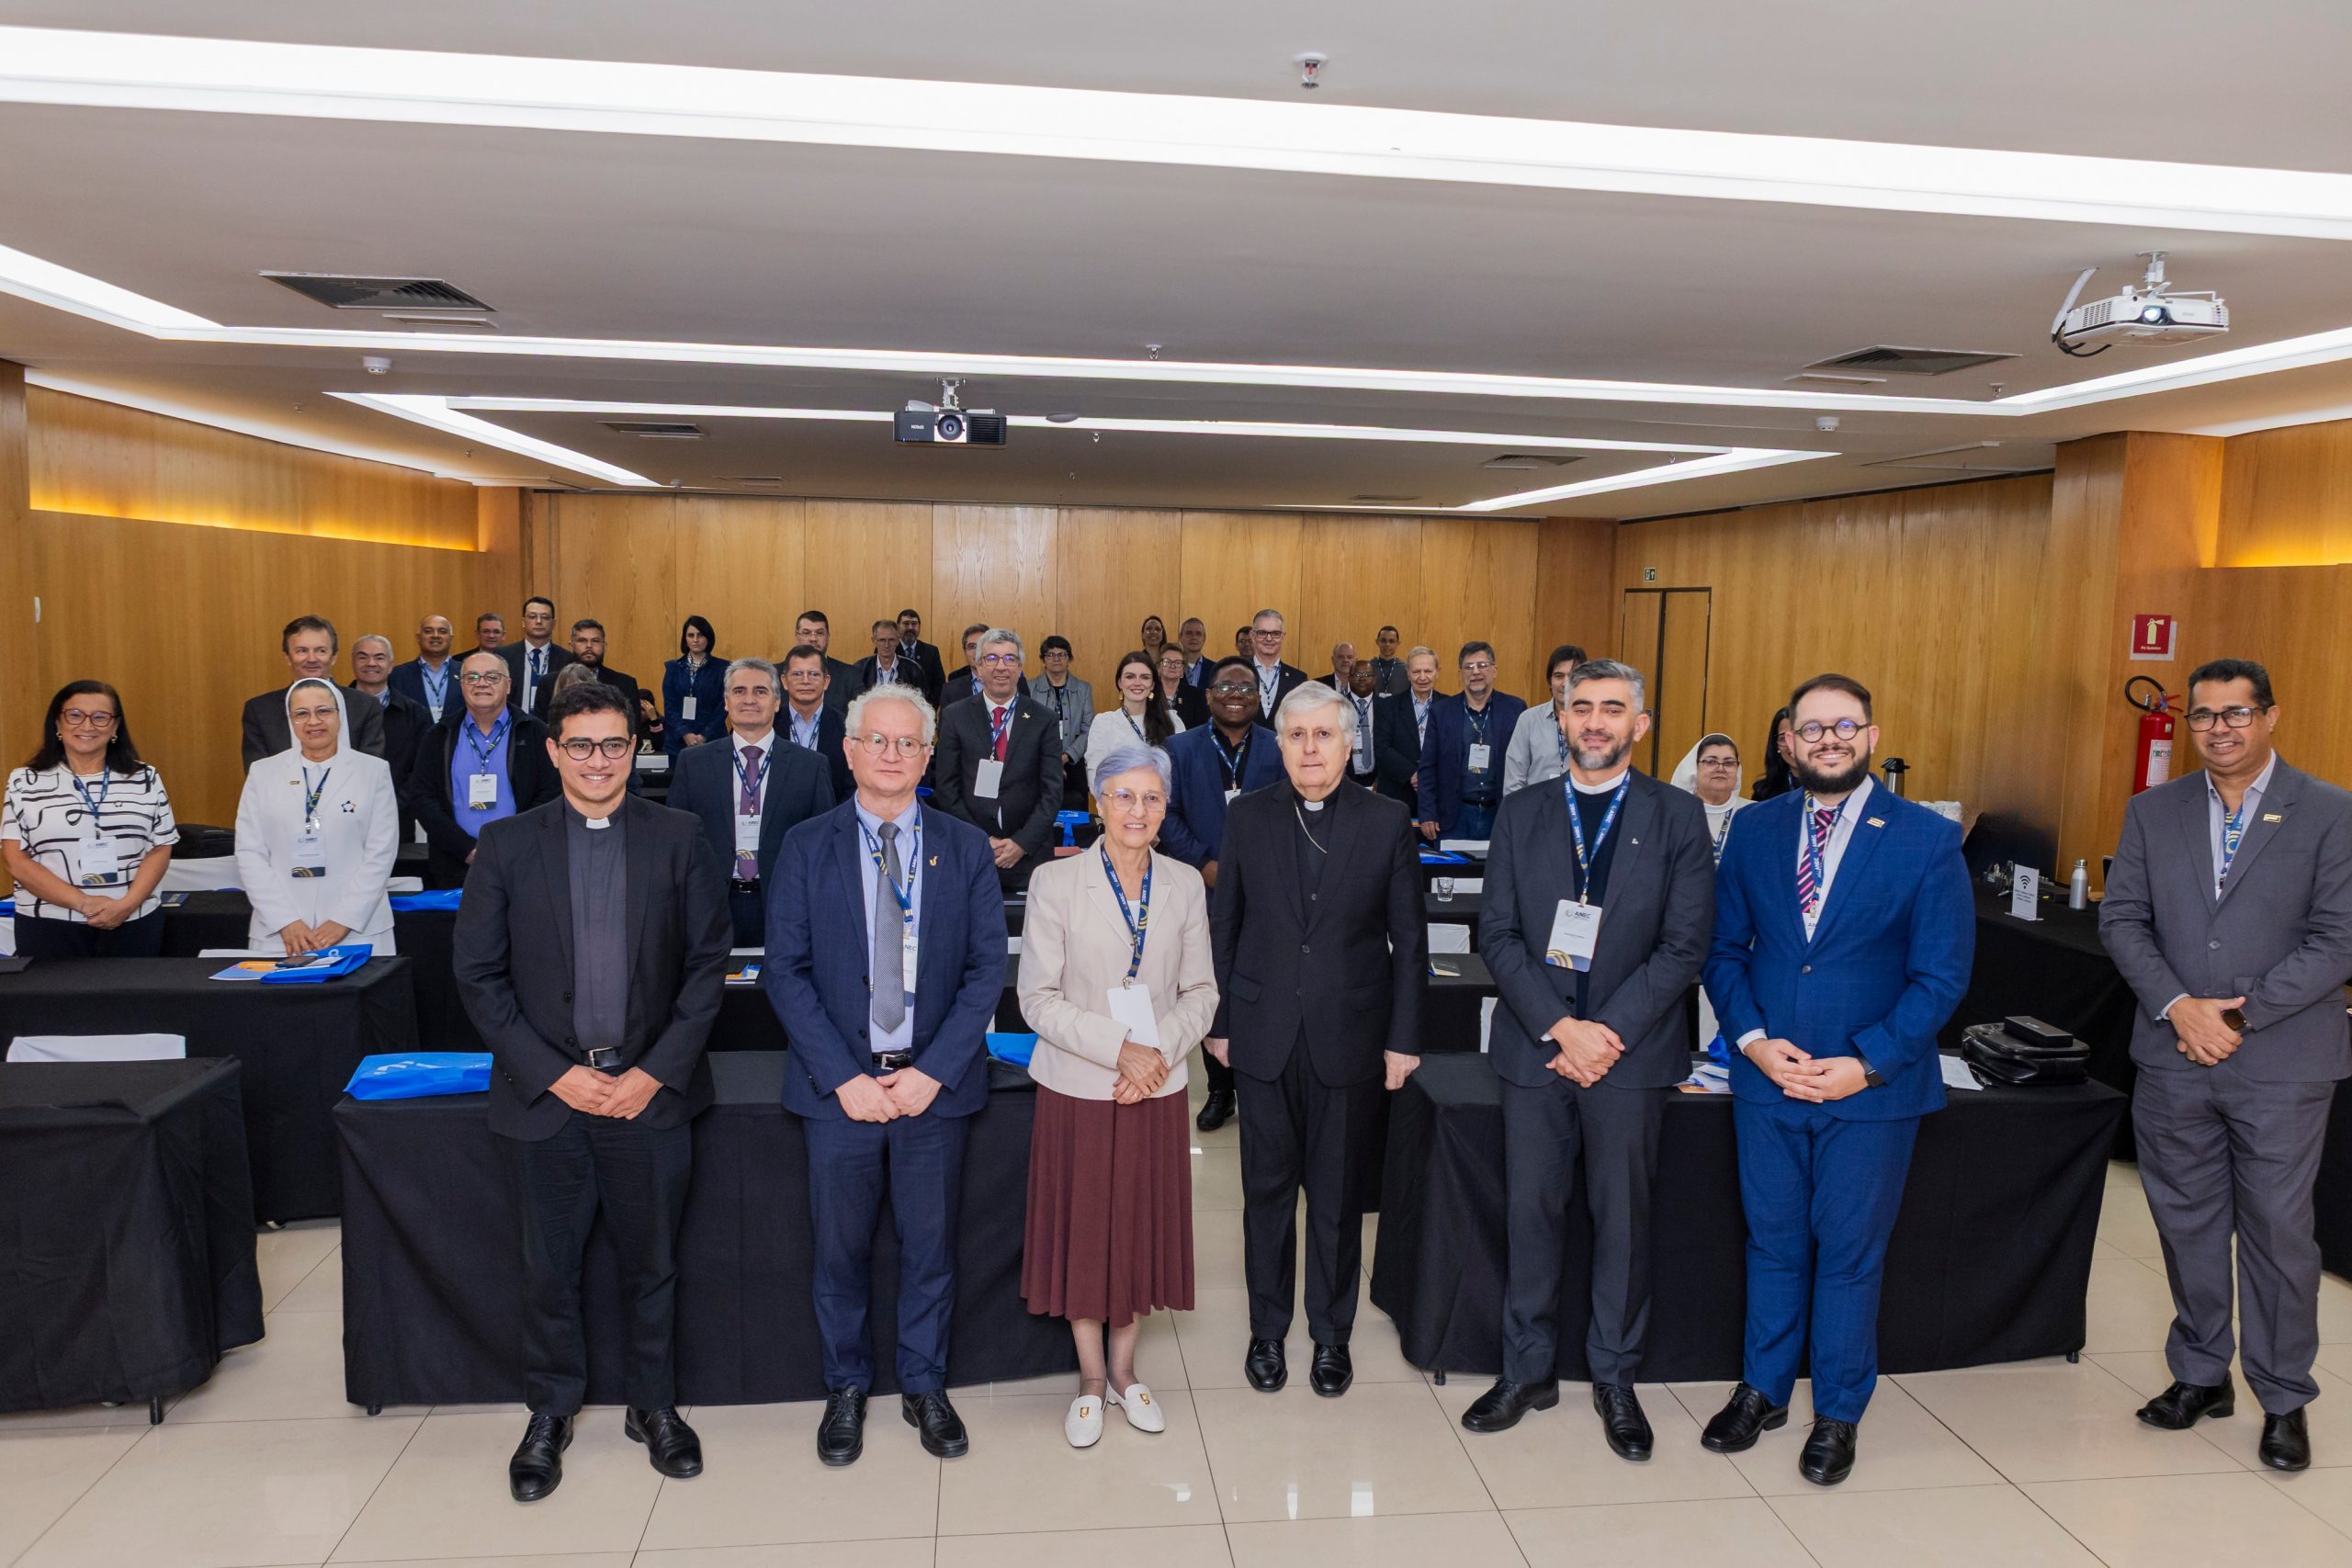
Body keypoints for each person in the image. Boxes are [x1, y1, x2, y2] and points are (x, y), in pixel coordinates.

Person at [453, 681, 729, 1502]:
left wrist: (649, 1072)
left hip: (651, 1095)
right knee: (548, 1270)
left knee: (653, 1267)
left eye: (613, 745)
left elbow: (708, 965)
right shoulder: (506, 844)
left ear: (631, 751)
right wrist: (558, 1073)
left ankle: (654, 1407)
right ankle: (550, 1412)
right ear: (553, 752)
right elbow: (476, 974)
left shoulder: (680, 836)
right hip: (545, 1099)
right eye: (581, 746)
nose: (599, 762)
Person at [1701, 673, 1973, 1487]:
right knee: (1773, 1242)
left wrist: (1867, 1060)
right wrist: (1750, 1042)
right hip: (1768, 1080)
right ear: (1787, 740)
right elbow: (1722, 951)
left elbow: (1942, 975)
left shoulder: (1924, 837)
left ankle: (1840, 1412)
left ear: (1869, 733)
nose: (1827, 739)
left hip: (1871, 1089)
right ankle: (1763, 1388)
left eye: (1843, 726)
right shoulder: (1753, 828)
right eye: (1810, 727)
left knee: (1850, 1254)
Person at [2098, 658, 2352, 1473]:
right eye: (2203, 715)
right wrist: (2180, 1006)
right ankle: (2201, 1373)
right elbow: (2124, 921)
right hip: (2174, 1054)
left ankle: (2283, 1395)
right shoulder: (2151, 810)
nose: (2219, 728)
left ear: (2270, 716)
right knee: (2185, 1221)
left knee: (2279, 1232)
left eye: (2237, 713)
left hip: (2281, 1058)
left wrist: (2236, 1012)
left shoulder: (2330, 812)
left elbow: (2339, 939)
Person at [1462, 660, 1714, 1454]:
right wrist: (1560, 1028)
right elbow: (1495, 934)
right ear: (1559, 720)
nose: (1596, 722)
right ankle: (1527, 1370)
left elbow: (1684, 947)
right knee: (1531, 1215)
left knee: (1624, 1222)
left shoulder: (1679, 817)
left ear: (1641, 724)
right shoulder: (1524, 811)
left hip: (1631, 1057)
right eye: (1582, 708)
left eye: (1614, 709)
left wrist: (1603, 1032)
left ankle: (1614, 1377)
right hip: (1536, 1051)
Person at [764, 685, 1007, 1466]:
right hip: (842, 1091)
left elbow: (983, 971)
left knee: (930, 1248)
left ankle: (925, 1384)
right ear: (850, 749)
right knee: (839, 1251)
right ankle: (844, 1386)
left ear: (929, 756)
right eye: (878, 741)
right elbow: (786, 973)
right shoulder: (806, 844)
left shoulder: (964, 846)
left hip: (933, 1089)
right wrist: (845, 1078)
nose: (893, 755)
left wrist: (933, 1072)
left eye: (908, 743)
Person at [1206, 681, 1426, 1397]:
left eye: (1323, 735)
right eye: (1295, 736)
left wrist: (1403, 1039)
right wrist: (1219, 1023)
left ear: (1349, 742)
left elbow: (1409, 941)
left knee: (1334, 1199)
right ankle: (1267, 1331)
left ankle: (1332, 1336)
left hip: (1351, 1037)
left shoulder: (1388, 819)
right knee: (1266, 1194)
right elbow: (1225, 922)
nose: (1309, 748)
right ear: (1279, 745)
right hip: (1263, 1034)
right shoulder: (1249, 818)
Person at [1017, 742, 1216, 1448]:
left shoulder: (1185, 883)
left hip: (1155, 1087)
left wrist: (1155, 1057)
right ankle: (1092, 1378)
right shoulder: (1054, 883)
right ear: (1099, 802)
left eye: (1152, 798)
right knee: (1085, 1228)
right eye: (1124, 796)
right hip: (1079, 1082)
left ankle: (1129, 1371)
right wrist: (1119, 1051)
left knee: (1136, 1227)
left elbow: (1202, 992)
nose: (1138, 810)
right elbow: (1036, 999)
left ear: (1166, 808)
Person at [1160, 658, 1283, 1134]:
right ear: (1208, 694)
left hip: (1268, 893)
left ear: (1259, 697)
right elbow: (1167, 815)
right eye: (1226, 686)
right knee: (1209, 991)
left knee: (1261, 990)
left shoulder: (1279, 748)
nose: (1236, 693)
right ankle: (1219, 1089)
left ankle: (1257, 1083)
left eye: (1246, 687)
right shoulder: (1179, 747)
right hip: (1202, 891)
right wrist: (1206, 867)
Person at [4, 681, 177, 958]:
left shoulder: (145, 777)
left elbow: (161, 847)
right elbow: (16, 859)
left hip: (133, 920)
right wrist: (83, 903)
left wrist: (127, 905)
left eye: (100, 717)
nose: (87, 726)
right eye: (75, 715)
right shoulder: (25, 781)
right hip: (48, 924)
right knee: (54, 1003)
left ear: (115, 727)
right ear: (57, 724)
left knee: (131, 1002)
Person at [670, 657, 834, 947]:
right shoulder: (693, 763)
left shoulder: (810, 766)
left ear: (776, 702)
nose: (749, 699)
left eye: (760, 691)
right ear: (725, 702)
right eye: (739, 691)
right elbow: (676, 842)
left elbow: (824, 847)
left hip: (786, 905)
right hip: (711, 904)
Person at [235, 679, 399, 956]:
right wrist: (285, 921)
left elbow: (381, 852)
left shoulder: (373, 771)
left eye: (324, 711)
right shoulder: (263, 773)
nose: (314, 722)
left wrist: (344, 920)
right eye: (302, 713)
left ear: (339, 715)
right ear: (290, 720)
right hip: (281, 934)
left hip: (358, 929)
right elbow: (250, 853)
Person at [409, 650, 560, 888]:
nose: (481, 684)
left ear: (508, 685)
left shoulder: (535, 733)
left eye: (492, 677)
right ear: (461, 685)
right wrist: (467, 849)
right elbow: (422, 797)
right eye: (472, 677)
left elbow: (551, 793)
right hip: (455, 866)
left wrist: (512, 845)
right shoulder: (439, 735)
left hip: (523, 862)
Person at [933, 628, 1064, 890]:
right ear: (978, 667)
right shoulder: (954, 716)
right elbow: (947, 790)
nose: (1001, 667)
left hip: (1031, 856)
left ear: (1020, 668)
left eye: (1009, 659)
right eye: (991, 659)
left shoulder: (1044, 719)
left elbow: (1052, 792)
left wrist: (1021, 843)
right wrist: (983, 841)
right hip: (972, 853)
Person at [241, 615, 387, 768]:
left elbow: (371, 771)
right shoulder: (259, 711)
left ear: (334, 656)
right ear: (288, 657)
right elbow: (259, 775)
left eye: (321, 651)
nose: (312, 659)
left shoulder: (366, 706)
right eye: (302, 651)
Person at [1417, 640, 1525, 842]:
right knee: (1453, 873)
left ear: (1495, 670)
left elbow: (1524, 765)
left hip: (1500, 814)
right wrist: (1427, 812)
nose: (1475, 672)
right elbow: (1428, 767)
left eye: (1482, 665)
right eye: (1468, 667)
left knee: (1499, 873)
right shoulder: (1441, 712)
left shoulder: (1516, 709)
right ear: (1460, 675)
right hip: (1454, 816)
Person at [351, 634, 431, 842]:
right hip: (343, 818)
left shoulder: (415, 713)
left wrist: (393, 805)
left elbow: (422, 770)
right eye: (363, 657)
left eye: (379, 657)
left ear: (391, 665)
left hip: (398, 818)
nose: (371, 663)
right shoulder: (333, 709)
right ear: (353, 662)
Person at [1503, 644, 1589, 795]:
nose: (1564, 683)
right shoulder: (1528, 720)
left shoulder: (1594, 724)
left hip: (1578, 812)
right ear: (1550, 681)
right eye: (1558, 676)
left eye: (1572, 676)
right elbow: (1514, 780)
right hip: (1535, 812)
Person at [1085, 651, 1179, 785]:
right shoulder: (1104, 722)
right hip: (1119, 802)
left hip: (1162, 803)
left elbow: (1181, 774)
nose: (1137, 683)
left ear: (1152, 684)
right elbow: (1095, 778)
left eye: (1145, 677)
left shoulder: (1173, 721)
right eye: (1130, 677)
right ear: (1120, 683)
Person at [780, 644, 853, 799]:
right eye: (797, 674)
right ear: (785, 681)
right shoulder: (769, 723)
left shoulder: (847, 727)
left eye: (813, 674)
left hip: (830, 815)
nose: (805, 681)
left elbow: (852, 785)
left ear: (826, 681)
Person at [1034, 635, 1095, 802]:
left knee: (1076, 817)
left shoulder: (1083, 689)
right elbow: (1026, 729)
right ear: (1043, 660)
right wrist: (1050, 759)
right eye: (1050, 655)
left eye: (1062, 654)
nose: (1056, 659)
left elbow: (1088, 729)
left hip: (1074, 762)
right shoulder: (1030, 688)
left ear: (1069, 659)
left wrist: (1066, 756)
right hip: (1037, 763)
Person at [1672, 733, 1748, 863]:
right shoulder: (1674, 813)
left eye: (1729, 763)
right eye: (1710, 762)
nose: (1720, 768)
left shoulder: (1754, 812)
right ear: (1694, 767)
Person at [500, 596, 575, 720]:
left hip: (551, 726)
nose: (539, 621)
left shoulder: (567, 659)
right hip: (513, 725)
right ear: (523, 622)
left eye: (545, 617)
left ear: (553, 623)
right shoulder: (504, 656)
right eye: (532, 616)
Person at [655, 615, 723, 754]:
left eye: (700, 635)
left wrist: (704, 735)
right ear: (685, 639)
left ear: (708, 638)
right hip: (678, 741)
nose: (696, 640)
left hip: (713, 739)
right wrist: (685, 733)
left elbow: (723, 707)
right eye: (691, 635)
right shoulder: (673, 668)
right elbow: (670, 706)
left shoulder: (722, 668)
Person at [388, 615, 458, 723]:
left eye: (442, 631)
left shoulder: (466, 672)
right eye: (428, 631)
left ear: (451, 638)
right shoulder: (397, 675)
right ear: (418, 638)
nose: (435, 635)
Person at [1245, 609, 1308, 720]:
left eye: (1275, 634)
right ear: (1252, 635)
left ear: (1283, 636)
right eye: (1262, 633)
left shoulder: (1299, 679)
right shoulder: (1239, 672)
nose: (1269, 639)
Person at [569, 619, 640, 713]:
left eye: (595, 641)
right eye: (582, 641)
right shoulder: (550, 683)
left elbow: (633, 725)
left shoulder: (625, 684)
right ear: (571, 645)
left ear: (604, 645)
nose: (589, 646)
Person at [795, 610, 860, 714]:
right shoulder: (776, 674)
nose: (813, 639)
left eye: (819, 633)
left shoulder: (850, 675)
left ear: (828, 637)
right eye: (806, 633)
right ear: (797, 636)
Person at [1337, 663, 1384, 790]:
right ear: (1349, 678)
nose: (1362, 678)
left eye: (1367, 675)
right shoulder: (1337, 706)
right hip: (1345, 778)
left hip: (1378, 779)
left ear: (1374, 679)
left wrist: (1382, 777)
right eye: (1357, 674)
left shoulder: (1387, 707)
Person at [855, 619, 926, 693]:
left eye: (891, 640)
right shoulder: (860, 669)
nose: (887, 645)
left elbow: (921, 700)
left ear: (898, 641)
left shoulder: (914, 670)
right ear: (874, 641)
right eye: (882, 640)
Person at [894, 608, 947, 705]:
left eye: (914, 624)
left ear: (919, 627)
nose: (910, 627)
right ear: (898, 627)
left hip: (925, 709)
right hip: (895, 708)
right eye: (906, 623)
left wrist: (929, 708)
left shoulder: (931, 651)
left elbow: (939, 683)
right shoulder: (890, 650)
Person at [939, 623, 993, 710]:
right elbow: (946, 723)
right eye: (972, 647)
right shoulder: (950, 690)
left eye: (982, 645)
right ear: (965, 651)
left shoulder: (1014, 683)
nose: (977, 651)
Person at [1155, 647, 1208, 730]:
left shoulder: (1196, 695)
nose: (1172, 666)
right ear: (1158, 668)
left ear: (1183, 671)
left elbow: (1202, 727)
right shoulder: (1149, 693)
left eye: (1178, 663)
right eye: (1167, 662)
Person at [1752, 707, 1796, 802]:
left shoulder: (1830, 784)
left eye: (1796, 735)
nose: (1791, 745)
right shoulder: (1764, 792)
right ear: (1776, 745)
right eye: (1783, 738)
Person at [1366, 625, 1409, 697]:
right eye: (1383, 641)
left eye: (1391, 641)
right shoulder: (1368, 668)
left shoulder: (1405, 669)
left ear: (1398, 643)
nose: (1387, 644)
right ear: (1377, 642)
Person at [1175, 617, 1214, 688]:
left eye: (1198, 634)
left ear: (1204, 638)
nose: (1194, 637)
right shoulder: (1172, 666)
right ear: (1180, 637)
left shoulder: (1214, 669)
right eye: (1189, 633)